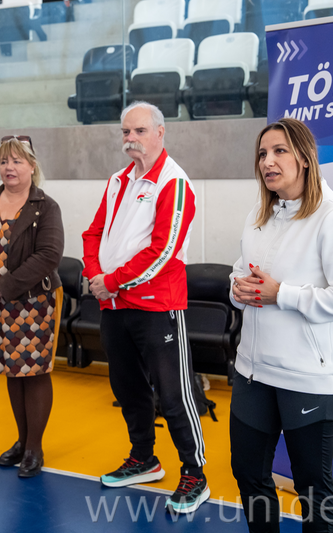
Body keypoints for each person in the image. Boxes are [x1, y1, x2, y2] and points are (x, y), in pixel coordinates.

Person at [229, 117, 333, 533]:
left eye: (279, 151)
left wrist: (282, 294)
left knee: (312, 489)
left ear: (305, 158)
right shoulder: (259, 214)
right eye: (262, 153)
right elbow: (241, 271)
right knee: (248, 473)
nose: (267, 162)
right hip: (252, 372)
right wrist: (237, 288)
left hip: (308, 379)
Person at [81, 101, 209, 514]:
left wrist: (111, 281)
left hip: (158, 307)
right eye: (125, 132)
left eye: (139, 131)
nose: (130, 138)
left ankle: (195, 474)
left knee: (174, 395)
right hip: (113, 306)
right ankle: (144, 459)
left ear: (160, 133)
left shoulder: (174, 182)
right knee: (128, 389)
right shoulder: (118, 180)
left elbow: (164, 251)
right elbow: (93, 233)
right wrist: (95, 276)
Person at [0, 136, 64, 478]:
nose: (9, 167)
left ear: (32, 166)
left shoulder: (45, 207)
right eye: (4, 161)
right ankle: (21, 441)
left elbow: (49, 255)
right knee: (12, 370)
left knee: (34, 373)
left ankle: (34, 447)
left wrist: (3, 286)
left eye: (17, 161)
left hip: (35, 302)